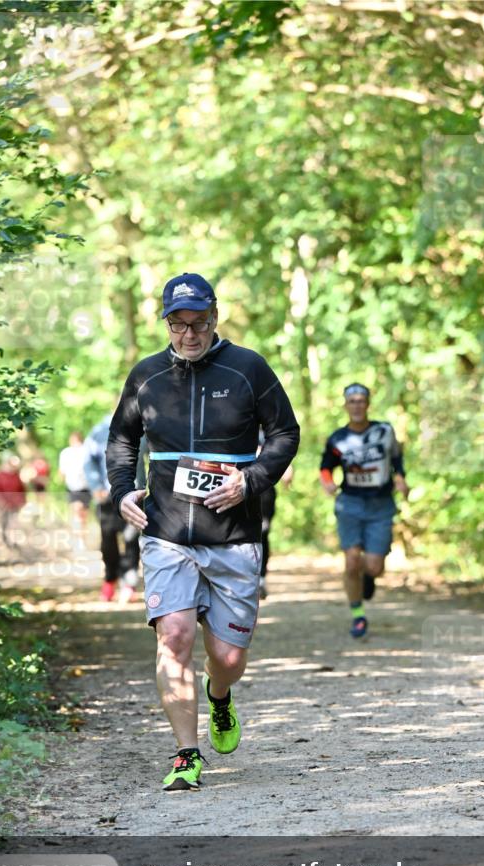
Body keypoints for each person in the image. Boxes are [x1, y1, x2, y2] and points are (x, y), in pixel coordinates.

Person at [106, 272, 300, 791]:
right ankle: (185, 755)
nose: (189, 334)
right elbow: (122, 440)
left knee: (229, 659)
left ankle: (220, 697)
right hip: (166, 532)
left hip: (234, 535)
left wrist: (250, 480)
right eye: (179, 324)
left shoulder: (248, 369)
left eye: (199, 323)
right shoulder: (146, 376)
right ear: (166, 322)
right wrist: (123, 490)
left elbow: (285, 433)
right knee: (175, 637)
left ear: (215, 318)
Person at [319, 383, 409, 639]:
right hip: (350, 503)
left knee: (374, 567)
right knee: (351, 561)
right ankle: (358, 615)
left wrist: (401, 478)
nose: (357, 405)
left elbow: (397, 459)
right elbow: (326, 466)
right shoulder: (338, 439)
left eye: (361, 400)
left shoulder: (384, 431)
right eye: (352, 401)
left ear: (368, 404)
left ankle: (368, 578)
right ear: (346, 405)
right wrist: (327, 482)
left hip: (381, 504)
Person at [84, 414, 142, 603]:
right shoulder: (99, 430)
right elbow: (88, 460)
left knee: (131, 539)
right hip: (107, 496)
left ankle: (129, 583)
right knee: (108, 540)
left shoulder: (147, 427)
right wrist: (96, 486)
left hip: (135, 495)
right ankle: (110, 579)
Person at [257, 429, 293, 599]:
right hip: (229, 484)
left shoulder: (269, 428)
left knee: (262, 532)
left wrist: (287, 467)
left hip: (263, 489)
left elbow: (282, 447)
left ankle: (261, 580)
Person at [58, 432, 91, 533]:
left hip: (83, 486)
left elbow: (61, 473)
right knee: (79, 512)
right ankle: (79, 539)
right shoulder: (66, 452)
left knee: (82, 514)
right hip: (75, 487)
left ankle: (81, 537)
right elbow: (62, 471)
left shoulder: (85, 451)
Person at [0, 454, 27, 547]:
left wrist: (23, 500)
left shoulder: (16, 475)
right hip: (2, 504)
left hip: (14, 503)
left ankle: (14, 541)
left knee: (14, 522)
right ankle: (4, 539)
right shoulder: (0, 474)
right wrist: (0, 501)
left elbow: (21, 489)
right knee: (4, 521)